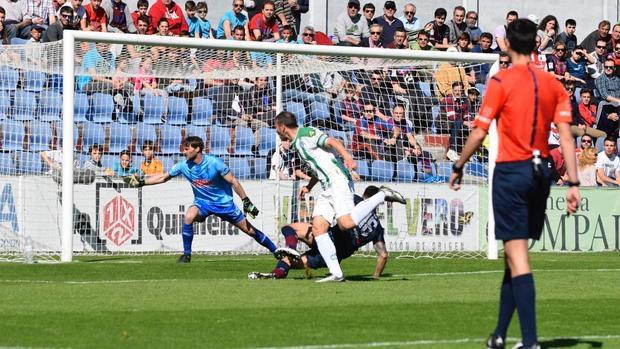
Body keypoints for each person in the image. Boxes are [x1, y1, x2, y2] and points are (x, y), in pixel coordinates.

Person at [449, 18, 580, 349]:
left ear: (507, 43)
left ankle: (531, 342)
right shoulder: (553, 84)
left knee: (518, 256)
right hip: (543, 173)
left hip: (511, 171)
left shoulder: (501, 81)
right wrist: (574, 183)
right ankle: (499, 336)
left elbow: (479, 131)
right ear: (536, 44)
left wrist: (459, 164)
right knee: (513, 254)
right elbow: (566, 136)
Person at [274, 111, 406, 282]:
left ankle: (382, 195)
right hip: (326, 187)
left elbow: (332, 141)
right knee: (318, 228)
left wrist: (348, 158)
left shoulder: (306, 133)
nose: (276, 130)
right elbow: (319, 166)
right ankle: (337, 273)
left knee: (345, 223)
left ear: (282, 127)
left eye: (276, 127)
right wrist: (309, 186)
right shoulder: (297, 143)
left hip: (338, 181)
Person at [123, 136, 296, 262]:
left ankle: (275, 250)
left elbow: (234, 181)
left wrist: (246, 201)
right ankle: (187, 254)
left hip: (224, 204)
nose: (184, 151)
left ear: (197, 149)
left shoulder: (214, 163)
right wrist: (141, 182)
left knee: (249, 230)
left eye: (187, 148)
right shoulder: (183, 165)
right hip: (202, 203)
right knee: (189, 216)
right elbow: (163, 177)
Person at [248, 186, 388, 280]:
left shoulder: (355, 200)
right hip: (332, 256)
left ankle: (289, 252)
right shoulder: (378, 228)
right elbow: (383, 255)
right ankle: (278, 272)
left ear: (366, 197)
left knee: (289, 228)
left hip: (326, 236)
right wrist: (375, 277)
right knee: (288, 261)